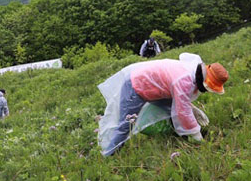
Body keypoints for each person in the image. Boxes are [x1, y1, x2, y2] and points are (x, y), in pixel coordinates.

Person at [97, 53, 227, 156]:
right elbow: (182, 111)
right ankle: (109, 154)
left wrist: (192, 109)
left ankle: (179, 137)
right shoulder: (184, 81)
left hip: (154, 87)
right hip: (136, 86)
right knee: (125, 125)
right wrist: (197, 136)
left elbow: (179, 101)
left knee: (171, 110)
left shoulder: (194, 70)